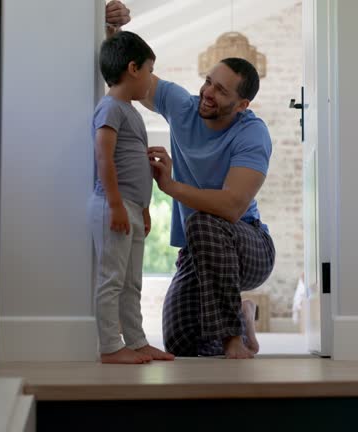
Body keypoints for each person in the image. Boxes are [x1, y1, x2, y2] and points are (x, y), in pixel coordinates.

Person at [145, 57, 274, 359]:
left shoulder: (252, 133)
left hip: (249, 248)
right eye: (208, 82)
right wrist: (110, 30)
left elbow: (231, 207)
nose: (208, 93)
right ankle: (243, 316)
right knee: (181, 344)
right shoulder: (183, 107)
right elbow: (134, 75)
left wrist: (171, 186)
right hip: (198, 249)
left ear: (241, 105)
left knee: (204, 221)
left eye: (221, 91)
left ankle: (233, 340)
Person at [89, 30, 174, 364]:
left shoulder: (130, 111)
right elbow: (103, 158)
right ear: (134, 68)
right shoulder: (110, 107)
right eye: (151, 71)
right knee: (112, 278)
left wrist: (145, 209)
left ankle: (137, 341)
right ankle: (110, 346)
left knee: (131, 282)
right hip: (114, 205)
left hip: (131, 208)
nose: (152, 80)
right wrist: (114, 204)